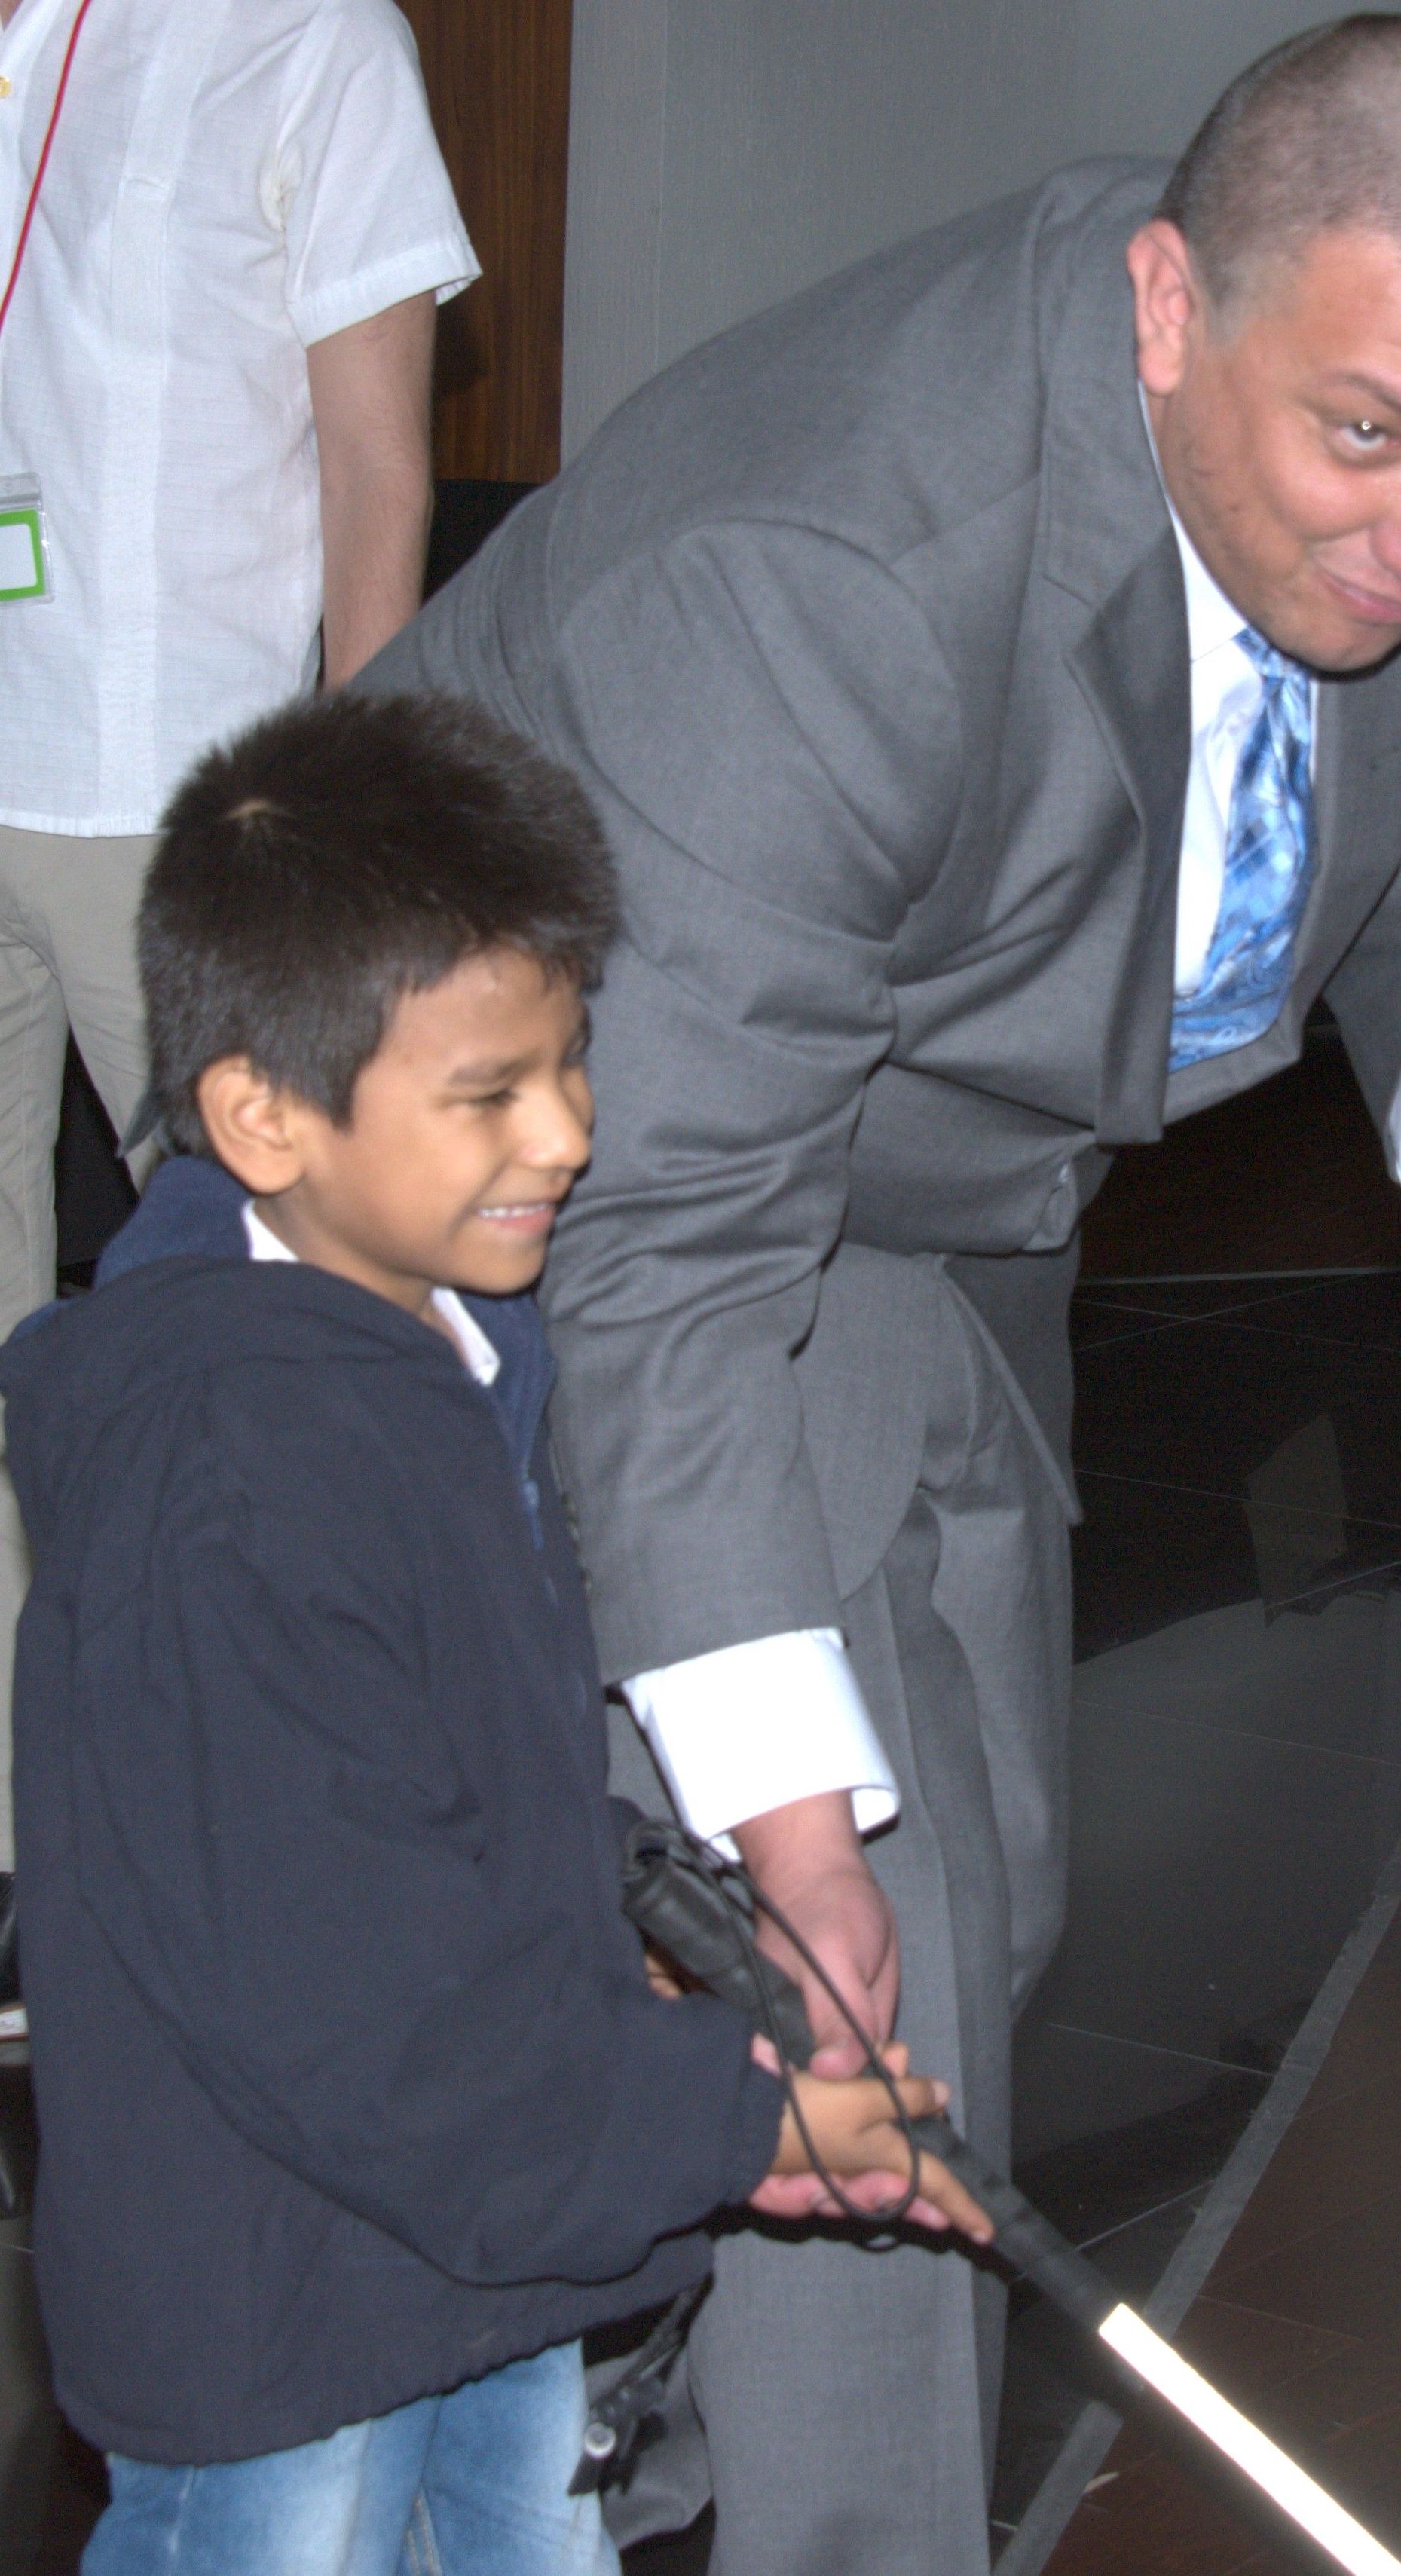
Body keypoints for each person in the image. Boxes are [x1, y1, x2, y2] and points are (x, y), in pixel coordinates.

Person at [360, 15, 1401, 2570]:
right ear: (1168, 303)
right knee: (869, 1980)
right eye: (1373, 436)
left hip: (926, 1162)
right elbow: (676, 1240)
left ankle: (561, 2381)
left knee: (988, 1878)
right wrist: (782, 1809)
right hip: (568, 1158)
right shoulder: (827, 566)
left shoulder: (1344, 449)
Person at [0, 691, 990, 2576]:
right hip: (284, 2306)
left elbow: (442, 1752)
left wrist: (630, 1889)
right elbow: (350, 1985)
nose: (569, 1132)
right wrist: (736, 2119)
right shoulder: (227, 1491)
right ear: (261, 1114)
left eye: (571, 1061)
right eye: (489, 1091)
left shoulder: (438, 1335)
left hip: (477, 2238)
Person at [0, 0, 479, 1866]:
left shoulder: (307, 30)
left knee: (257, 1345)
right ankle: (34, 1838)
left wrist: (346, 834)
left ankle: (292, 1829)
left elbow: (380, 470)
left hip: (176, 809)